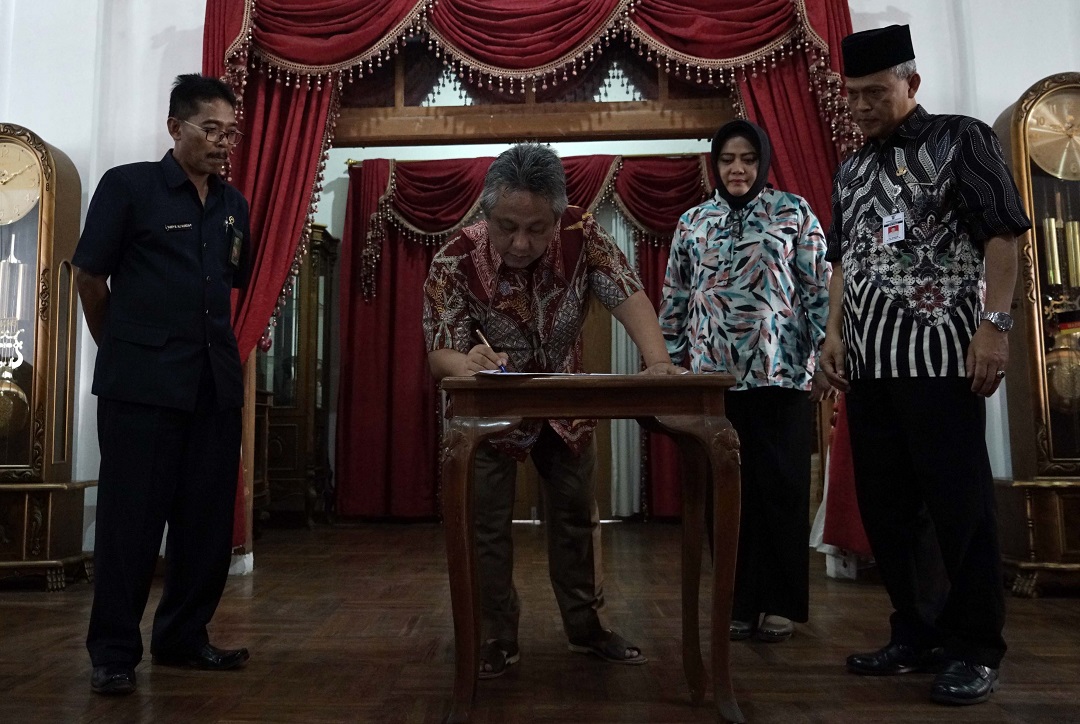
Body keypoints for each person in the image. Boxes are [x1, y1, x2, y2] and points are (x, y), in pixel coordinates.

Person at [819, 25, 1031, 705]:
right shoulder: (851, 169)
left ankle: (975, 646)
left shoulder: (961, 139)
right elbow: (843, 260)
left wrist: (995, 327)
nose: (860, 106)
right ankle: (915, 631)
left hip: (943, 360)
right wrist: (832, 334)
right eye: (851, 94)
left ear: (911, 83)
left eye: (874, 92)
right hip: (869, 366)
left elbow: (1004, 234)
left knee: (958, 508)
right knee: (888, 511)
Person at [422, 143, 684, 678]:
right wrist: (467, 362)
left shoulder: (583, 236)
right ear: (486, 213)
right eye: (507, 227)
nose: (521, 243)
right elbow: (439, 353)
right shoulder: (453, 258)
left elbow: (629, 296)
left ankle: (586, 628)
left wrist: (658, 363)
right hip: (489, 407)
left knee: (575, 516)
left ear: (558, 217)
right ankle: (495, 634)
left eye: (537, 229)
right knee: (485, 524)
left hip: (567, 401)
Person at [73, 73, 253, 695]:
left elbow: (230, 284)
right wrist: (121, 349)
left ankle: (182, 637)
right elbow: (89, 277)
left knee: (205, 522)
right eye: (211, 129)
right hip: (141, 389)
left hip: (212, 386)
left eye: (231, 132)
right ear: (175, 127)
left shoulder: (233, 205)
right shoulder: (128, 187)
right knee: (131, 524)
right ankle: (114, 652)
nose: (223, 142)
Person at [659, 119, 832, 643]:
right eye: (728, 159)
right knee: (725, 492)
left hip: (781, 376)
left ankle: (778, 604)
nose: (738, 169)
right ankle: (737, 601)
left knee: (780, 490)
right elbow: (675, 301)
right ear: (715, 164)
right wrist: (670, 369)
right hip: (711, 381)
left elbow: (819, 291)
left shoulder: (794, 212)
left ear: (763, 162)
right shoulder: (692, 222)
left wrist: (826, 354)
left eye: (749, 159)